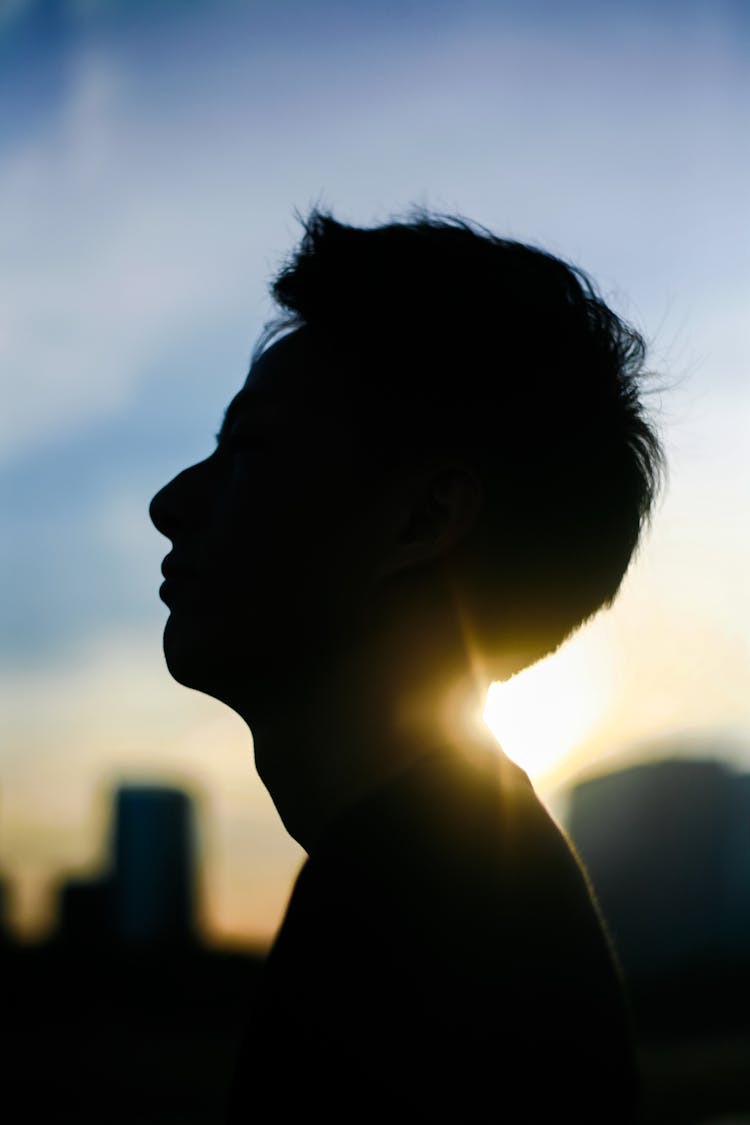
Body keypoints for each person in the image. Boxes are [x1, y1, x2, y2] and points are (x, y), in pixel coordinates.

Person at [149, 209, 664, 1122]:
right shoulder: (465, 893)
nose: (170, 502)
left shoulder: (407, 932)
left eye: (248, 451)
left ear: (424, 520)